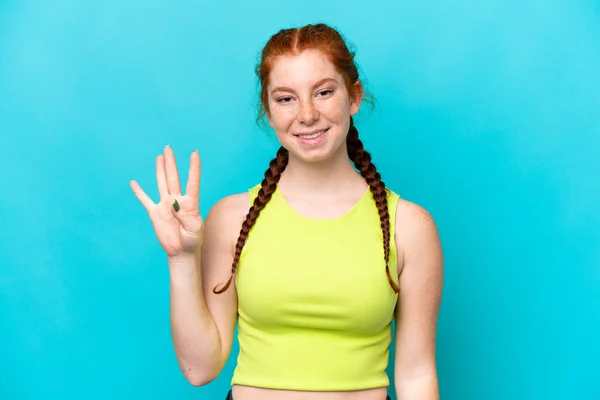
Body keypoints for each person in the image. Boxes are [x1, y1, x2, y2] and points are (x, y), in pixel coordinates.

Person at [130, 23, 443, 400]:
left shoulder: (409, 226)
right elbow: (201, 368)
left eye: (324, 92)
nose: (307, 114)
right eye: (286, 99)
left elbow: (416, 373)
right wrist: (181, 259)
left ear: (354, 96)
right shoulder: (232, 218)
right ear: (268, 110)